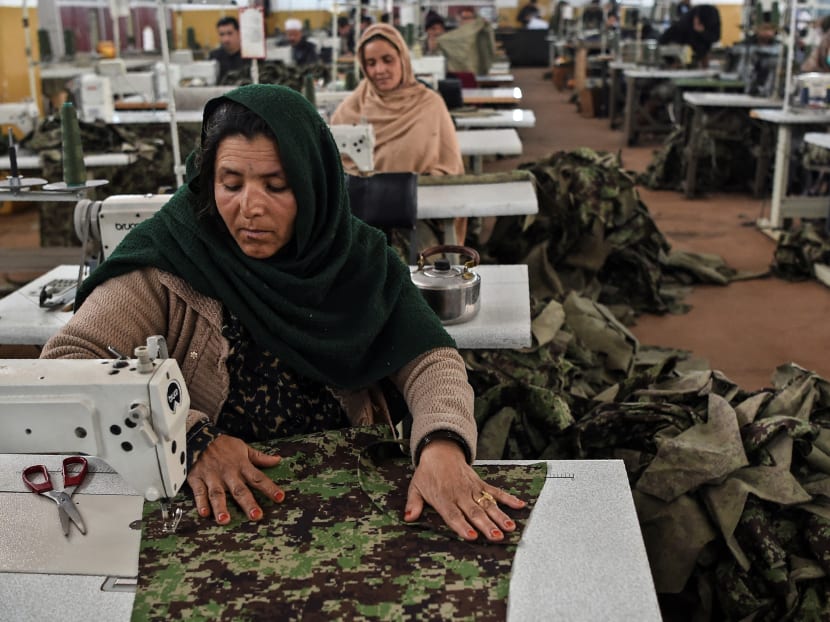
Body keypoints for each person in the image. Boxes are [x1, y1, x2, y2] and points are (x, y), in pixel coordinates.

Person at [40, 83, 525, 540]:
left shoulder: (358, 259)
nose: (250, 207)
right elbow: (67, 365)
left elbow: (429, 358)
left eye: (276, 185)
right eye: (230, 183)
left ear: (315, 186)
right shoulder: (172, 256)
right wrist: (189, 438)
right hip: (213, 505)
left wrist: (442, 444)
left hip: (347, 493)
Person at [330, 23, 467, 245]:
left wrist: (405, 188)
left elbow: (450, 168)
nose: (379, 70)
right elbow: (335, 168)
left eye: (388, 60)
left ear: (402, 59)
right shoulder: (351, 108)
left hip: (419, 215)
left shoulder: (430, 105)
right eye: (371, 63)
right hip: (359, 218)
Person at [209, 17, 250, 83]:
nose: (226, 39)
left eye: (230, 33)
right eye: (222, 34)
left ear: (238, 33)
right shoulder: (214, 57)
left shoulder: (249, 56)